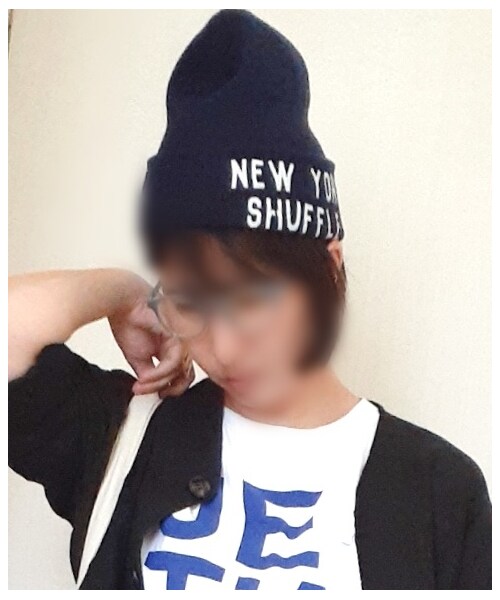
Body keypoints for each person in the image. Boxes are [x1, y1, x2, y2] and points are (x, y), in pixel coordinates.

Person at [8, 9, 491, 591]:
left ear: (329, 264)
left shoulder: (438, 493)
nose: (227, 346)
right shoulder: (128, 437)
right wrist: (124, 291)